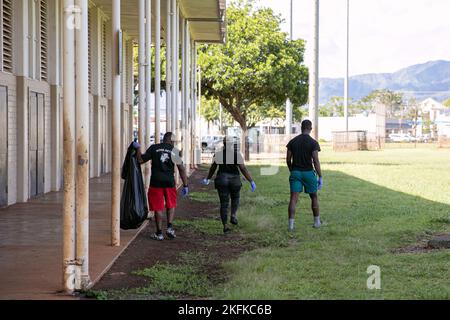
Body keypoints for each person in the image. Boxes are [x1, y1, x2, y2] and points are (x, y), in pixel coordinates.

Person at [134, 132, 189, 240]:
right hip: (169, 182)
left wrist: (138, 148)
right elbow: (181, 169)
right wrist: (185, 185)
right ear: (171, 141)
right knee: (171, 205)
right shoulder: (174, 151)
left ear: (163, 139)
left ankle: (159, 233)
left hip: (156, 182)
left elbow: (140, 160)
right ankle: (169, 228)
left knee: (158, 208)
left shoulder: (154, 148)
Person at [202, 136, 256, 234]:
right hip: (234, 180)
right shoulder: (237, 155)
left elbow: (213, 168)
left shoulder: (218, 154)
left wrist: (208, 178)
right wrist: (251, 181)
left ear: (224, 143)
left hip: (222, 179)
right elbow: (243, 169)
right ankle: (233, 215)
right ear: (232, 144)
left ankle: (225, 226)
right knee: (235, 198)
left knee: (224, 203)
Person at [286, 120, 323, 231]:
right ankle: (317, 222)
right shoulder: (313, 143)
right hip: (308, 173)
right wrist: (320, 176)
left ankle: (291, 226)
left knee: (293, 199)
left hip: (295, 173)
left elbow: (288, 160)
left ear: (301, 128)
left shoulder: (292, 142)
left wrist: (292, 170)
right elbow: (316, 161)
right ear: (310, 128)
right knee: (314, 196)